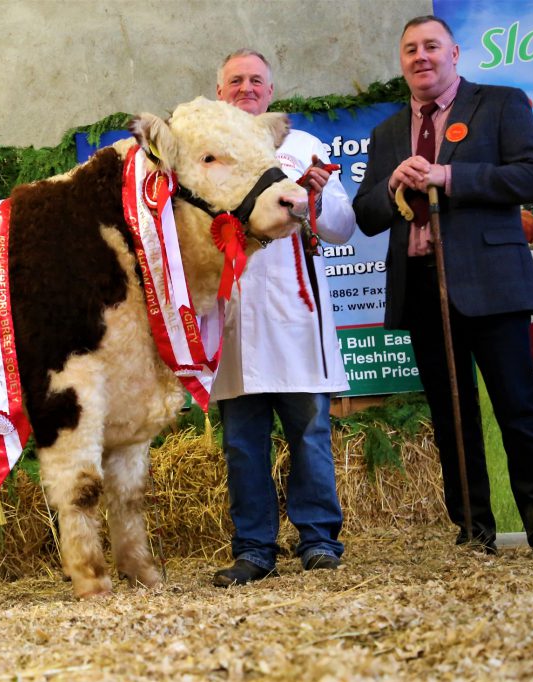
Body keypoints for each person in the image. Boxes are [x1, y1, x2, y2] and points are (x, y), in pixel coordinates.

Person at [352, 16, 533, 563]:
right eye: (410, 49)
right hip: (423, 288)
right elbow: (366, 215)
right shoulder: (385, 135)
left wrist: (450, 178)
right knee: (452, 415)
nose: (421, 57)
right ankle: (474, 530)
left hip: (493, 285)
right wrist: (391, 184)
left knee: (519, 409)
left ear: (454, 53)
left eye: (432, 46)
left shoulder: (499, 104)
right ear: (401, 61)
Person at [210, 49, 356, 587]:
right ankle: (254, 549)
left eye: (256, 80)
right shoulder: (211, 151)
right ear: (220, 91)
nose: (246, 88)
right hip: (233, 318)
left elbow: (343, 227)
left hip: (296, 314)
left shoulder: (303, 148)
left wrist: (317, 200)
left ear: (271, 90)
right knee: (243, 444)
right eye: (235, 81)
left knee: (311, 432)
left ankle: (318, 540)